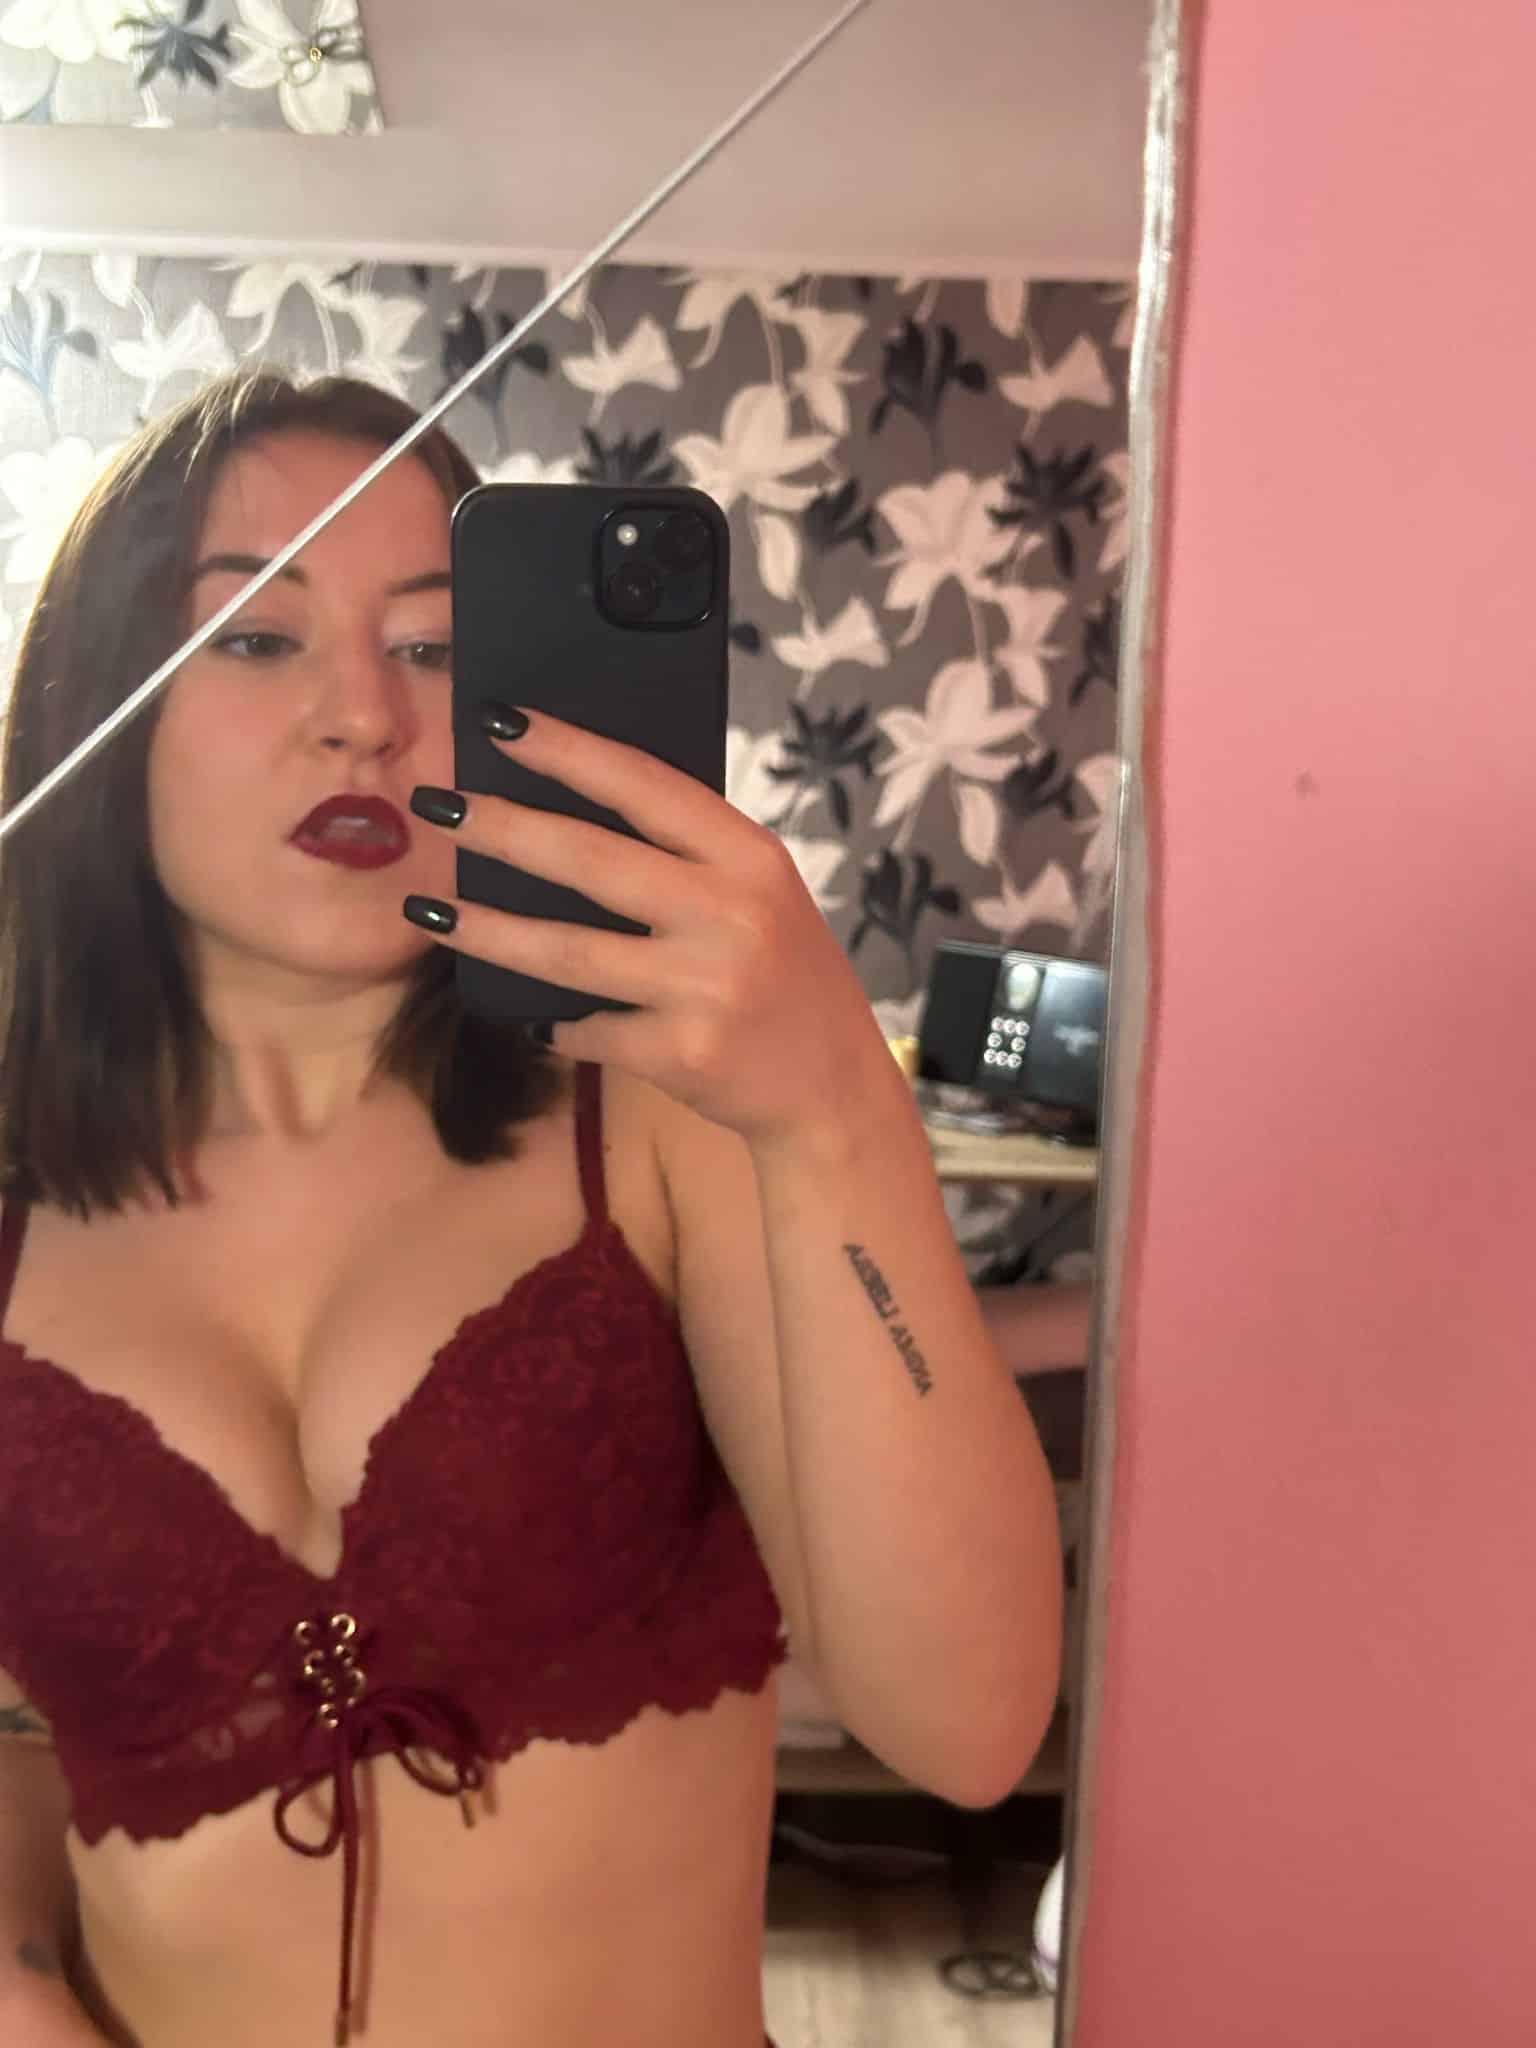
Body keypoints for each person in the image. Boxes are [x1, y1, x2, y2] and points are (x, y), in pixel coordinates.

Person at [0, 370, 1063, 2048]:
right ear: (97, 703)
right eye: (257, 637)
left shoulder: (659, 1118)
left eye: (435, 646)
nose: (364, 716)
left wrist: (837, 1113)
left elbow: (971, 1725)